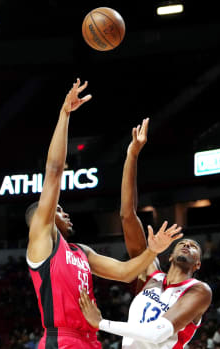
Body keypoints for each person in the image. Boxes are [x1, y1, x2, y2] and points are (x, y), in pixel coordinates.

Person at [26, 80, 184, 349]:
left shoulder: (81, 252)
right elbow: (53, 172)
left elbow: (124, 273)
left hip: (90, 339)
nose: (65, 213)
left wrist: (152, 251)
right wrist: (65, 114)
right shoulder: (42, 238)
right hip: (61, 339)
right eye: (60, 211)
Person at [78, 118, 212, 349]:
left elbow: (156, 334)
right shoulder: (151, 275)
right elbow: (127, 215)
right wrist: (132, 155)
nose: (187, 245)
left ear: (198, 264)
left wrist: (101, 323)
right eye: (183, 243)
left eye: (193, 247)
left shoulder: (199, 291)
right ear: (169, 255)